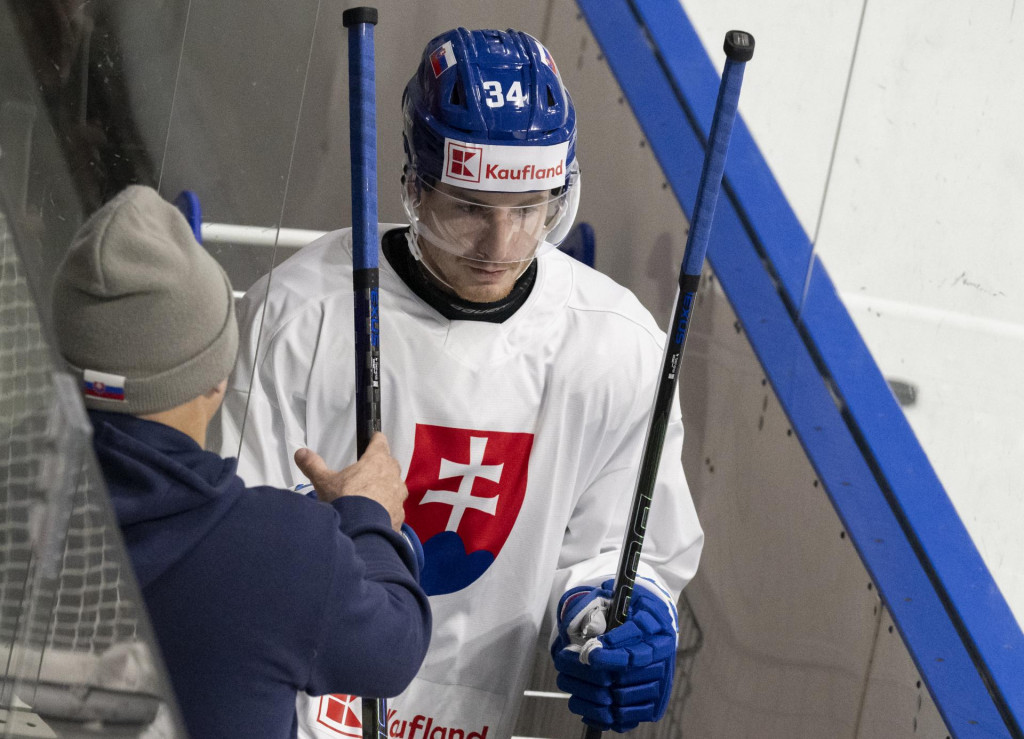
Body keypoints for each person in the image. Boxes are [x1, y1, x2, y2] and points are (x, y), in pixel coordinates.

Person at [219, 28, 703, 738]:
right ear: (415, 185)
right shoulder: (300, 314)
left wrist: (618, 613)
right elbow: (233, 540)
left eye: (530, 210)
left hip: (478, 712)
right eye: (470, 208)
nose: (500, 246)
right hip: (298, 711)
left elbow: (624, 543)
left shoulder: (615, 345)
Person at [50, 185, 432, 739]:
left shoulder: (20, 496)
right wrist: (367, 518)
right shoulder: (280, 548)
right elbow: (392, 650)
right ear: (217, 375)